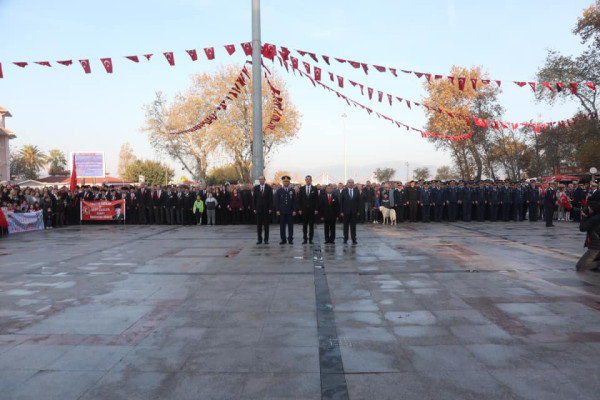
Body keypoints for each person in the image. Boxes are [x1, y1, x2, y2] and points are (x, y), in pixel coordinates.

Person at [576, 201, 600, 272]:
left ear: (593, 210)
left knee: (580, 267)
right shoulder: (596, 217)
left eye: (589, 209)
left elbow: (582, 228)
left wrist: (584, 217)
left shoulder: (595, 219)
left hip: (596, 246)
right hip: (596, 245)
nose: (588, 210)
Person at [275, 176, 297, 245]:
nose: (286, 183)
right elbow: (277, 201)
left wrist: (294, 210)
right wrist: (277, 210)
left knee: (290, 226)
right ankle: (283, 239)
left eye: (287, 181)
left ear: (289, 182)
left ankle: (290, 239)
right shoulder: (279, 190)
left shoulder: (292, 190)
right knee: (282, 226)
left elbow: (294, 201)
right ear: (283, 182)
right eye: (284, 182)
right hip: (282, 211)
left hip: (290, 211)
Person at [298, 175, 319, 244]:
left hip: (312, 210)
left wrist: (316, 209)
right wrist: (300, 209)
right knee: (304, 225)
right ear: (305, 180)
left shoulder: (314, 188)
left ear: (311, 180)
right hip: (304, 210)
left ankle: (310, 239)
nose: (308, 180)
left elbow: (316, 200)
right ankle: (305, 239)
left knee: (311, 225)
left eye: (309, 179)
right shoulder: (302, 188)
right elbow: (299, 200)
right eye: (307, 179)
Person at [252, 175, 273, 244]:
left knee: (266, 225)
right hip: (258, 209)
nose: (261, 180)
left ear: (264, 180)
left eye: (262, 179)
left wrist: (270, 208)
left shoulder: (268, 188)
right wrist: (254, 208)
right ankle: (259, 239)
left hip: (266, 209)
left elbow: (271, 199)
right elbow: (254, 199)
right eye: (260, 179)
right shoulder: (256, 188)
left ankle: (266, 239)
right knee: (259, 225)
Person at [340, 179, 360, 244]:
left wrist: (358, 211)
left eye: (352, 182)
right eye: (349, 182)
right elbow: (341, 202)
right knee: (345, 226)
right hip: (346, 212)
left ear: (353, 183)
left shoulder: (357, 191)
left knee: (353, 226)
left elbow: (359, 202)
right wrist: (341, 211)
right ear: (347, 183)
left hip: (354, 212)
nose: (351, 184)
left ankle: (354, 239)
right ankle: (345, 238)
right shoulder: (344, 191)